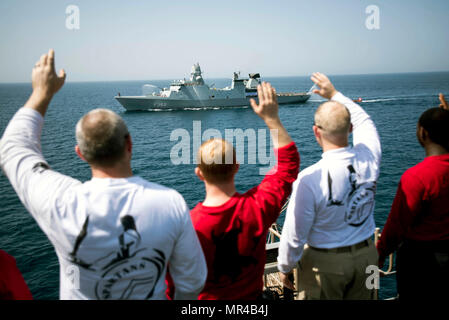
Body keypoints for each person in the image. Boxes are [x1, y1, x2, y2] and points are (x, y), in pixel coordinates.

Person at [0, 49, 207, 300]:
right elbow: (193, 280)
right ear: (130, 144)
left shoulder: (61, 201)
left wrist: (41, 92)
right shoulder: (170, 202)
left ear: (80, 153)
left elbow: (13, 149)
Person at [170, 82, 300, 300]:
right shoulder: (257, 207)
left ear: (199, 173)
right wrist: (272, 118)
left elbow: (170, 288)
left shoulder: (184, 227)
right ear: (237, 166)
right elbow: (288, 165)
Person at [277, 73, 381, 300]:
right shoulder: (370, 157)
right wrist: (334, 94)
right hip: (367, 258)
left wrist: (285, 268)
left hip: (325, 266)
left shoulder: (309, 178)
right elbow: (366, 121)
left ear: (316, 132)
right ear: (350, 129)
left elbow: (294, 235)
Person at [376, 94, 449, 300]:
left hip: (423, 262)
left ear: (422, 133)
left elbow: (396, 224)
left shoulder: (418, 176)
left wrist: (379, 254)